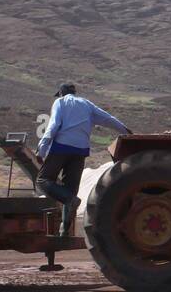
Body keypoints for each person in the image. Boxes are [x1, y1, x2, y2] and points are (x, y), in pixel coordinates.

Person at [37, 83, 130, 235]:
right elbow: (107, 119)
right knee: (71, 190)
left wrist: (42, 148)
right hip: (80, 151)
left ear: (61, 93)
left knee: (43, 181)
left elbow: (54, 125)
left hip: (61, 148)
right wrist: (125, 130)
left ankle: (69, 201)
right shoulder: (87, 104)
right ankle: (65, 231)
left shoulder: (60, 102)